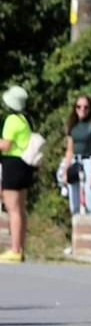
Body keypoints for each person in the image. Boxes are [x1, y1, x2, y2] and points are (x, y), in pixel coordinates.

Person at [61, 95, 91, 254]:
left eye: (85, 107)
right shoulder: (73, 126)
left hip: (88, 162)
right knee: (74, 202)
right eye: (79, 107)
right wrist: (66, 170)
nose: (82, 110)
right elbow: (69, 150)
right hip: (75, 162)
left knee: (90, 200)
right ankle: (76, 240)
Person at [0, 85, 34, 263]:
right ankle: (19, 248)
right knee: (20, 209)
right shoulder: (25, 119)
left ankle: (14, 249)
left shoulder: (11, 120)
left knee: (13, 209)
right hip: (24, 165)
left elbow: (5, 146)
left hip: (12, 165)